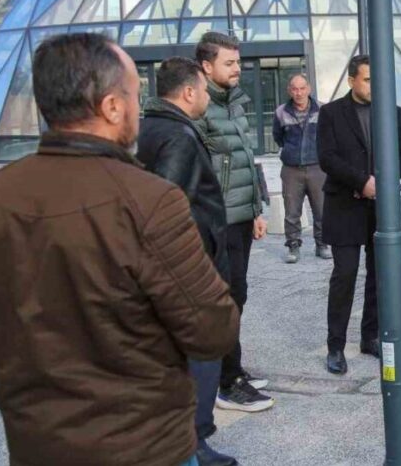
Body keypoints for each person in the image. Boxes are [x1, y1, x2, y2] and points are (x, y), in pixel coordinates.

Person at [0, 33, 238, 466]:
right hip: (142, 445)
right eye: (135, 94)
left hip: (37, 444)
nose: (141, 107)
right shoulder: (150, 200)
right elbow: (212, 329)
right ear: (112, 107)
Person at [137, 57, 243, 465]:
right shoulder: (179, 136)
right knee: (202, 352)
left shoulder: (150, 127)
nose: (206, 98)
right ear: (187, 92)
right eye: (202, 91)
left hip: (175, 266)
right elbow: (167, 206)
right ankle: (194, 442)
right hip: (191, 266)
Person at [319, 55, 401, 375]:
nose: (375, 85)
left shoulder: (392, 112)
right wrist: (362, 182)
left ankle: (369, 336)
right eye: (368, 79)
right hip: (344, 206)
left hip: (382, 207)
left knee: (379, 274)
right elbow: (327, 158)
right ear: (352, 81)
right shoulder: (331, 113)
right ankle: (335, 346)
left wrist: (381, 183)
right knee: (345, 275)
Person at [195, 31, 274, 412]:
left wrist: (257, 209)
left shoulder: (234, 103)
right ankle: (225, 383)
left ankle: (233, 369)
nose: (237, 69)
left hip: (241, 216)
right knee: (226, 299)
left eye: (238, 62)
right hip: (219, 220)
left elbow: (246, 159)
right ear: (206, 66)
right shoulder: (200, 108)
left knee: (237, 295)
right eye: (229, 63)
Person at [273, 73, 330, 264]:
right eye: (295, 89)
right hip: (291, 169)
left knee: (321, 209)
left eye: (302, 88)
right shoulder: (281, 112)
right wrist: (290, 152)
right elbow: (278, 137)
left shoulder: (322, 110)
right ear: (289, 90)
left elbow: (328, 136)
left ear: (309, 89)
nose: (299, 93)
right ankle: (293, 246)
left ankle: (322, 244)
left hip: (317, 168)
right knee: (291, 211)